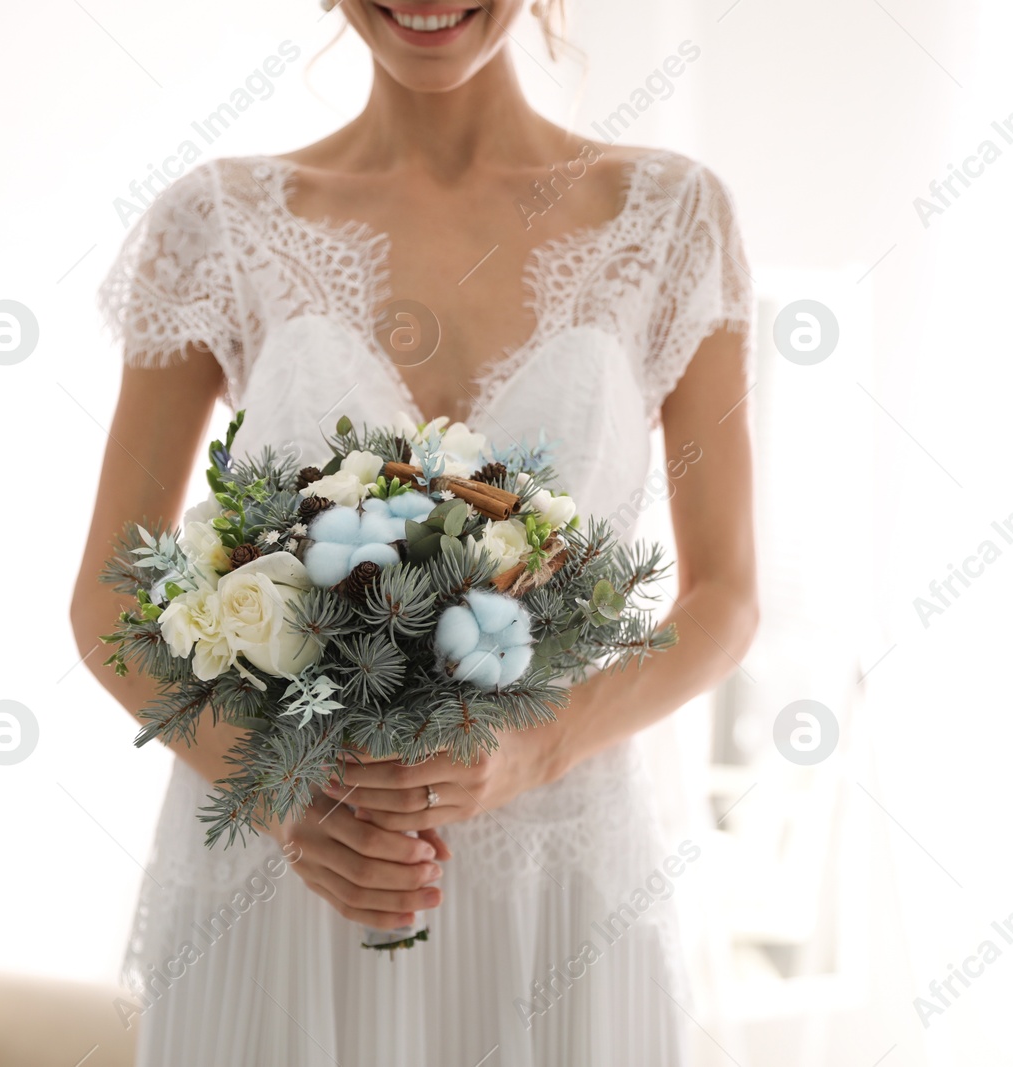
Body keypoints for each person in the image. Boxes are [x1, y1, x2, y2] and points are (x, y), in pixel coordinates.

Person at [70, 2, 758, 1062]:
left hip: (560, 885)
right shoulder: (216, 222)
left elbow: (723, 598)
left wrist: (544, 744)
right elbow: (111, 597)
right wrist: (284, 794)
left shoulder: (669, 218)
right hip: (288, 876)